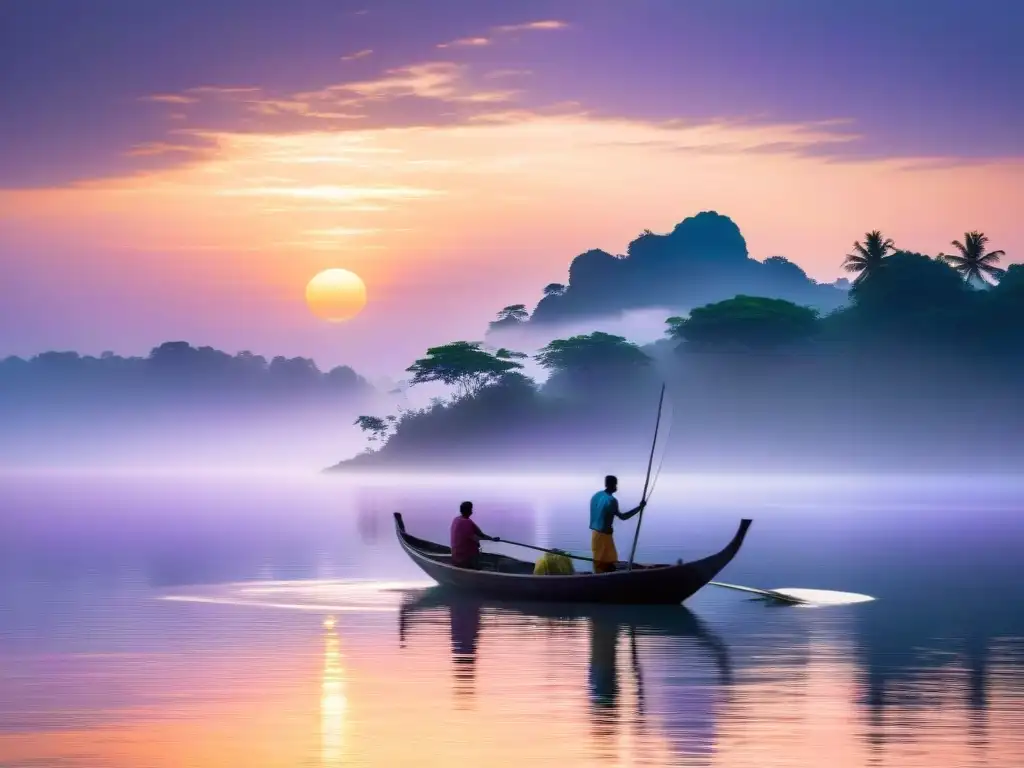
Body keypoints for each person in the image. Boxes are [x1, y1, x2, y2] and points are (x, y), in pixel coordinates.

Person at [590, 475, 646, 573]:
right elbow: (623, 517)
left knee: (606, 562)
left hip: (596, 535)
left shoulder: (596, 496)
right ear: (612, 485)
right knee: (603, 564)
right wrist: (639, 508)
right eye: (616, 484)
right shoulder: (611, 500)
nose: (616, 487)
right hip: (603, 537)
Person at [450, 501, 497, 569]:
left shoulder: (457, 519)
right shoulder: (466, 522)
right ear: (469, 510)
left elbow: (480, 534)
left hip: (455, 555)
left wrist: (491, 538)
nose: (472, 510)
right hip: (464, 558)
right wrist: (491, 540)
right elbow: (477, 538)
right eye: (471, 509)